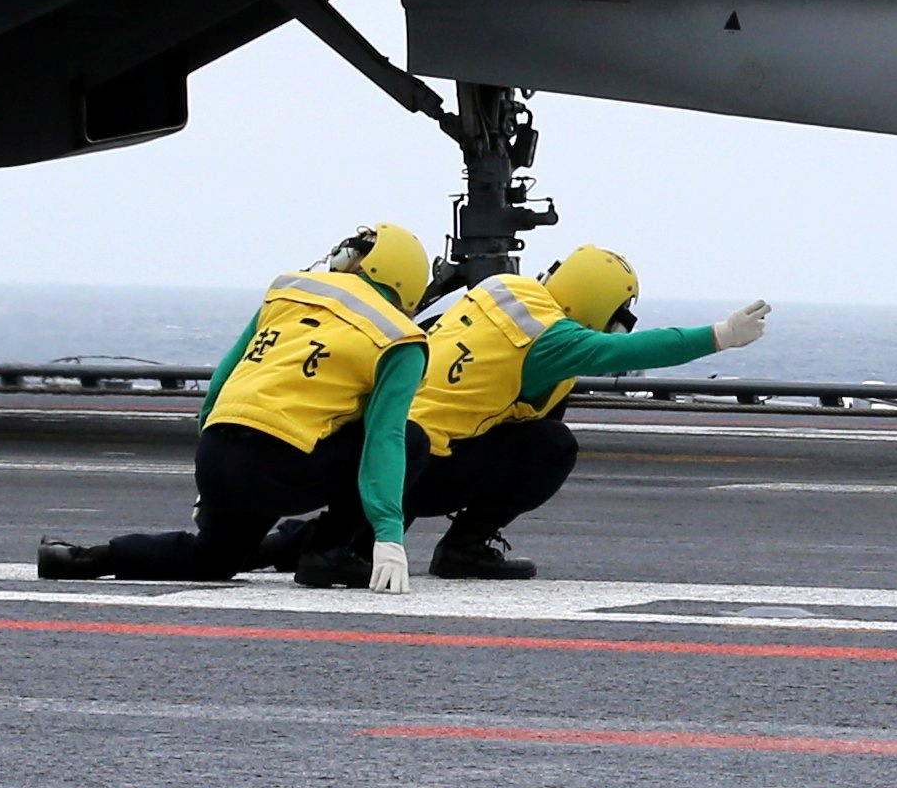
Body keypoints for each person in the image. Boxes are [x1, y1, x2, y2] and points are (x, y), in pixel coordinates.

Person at [261, 243, 770, 583]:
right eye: (620, 312)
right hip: (427, 466)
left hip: (381, 448)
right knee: (552, 447)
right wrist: (720, 336)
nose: (621, 325)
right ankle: (463, 547)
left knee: (353, 535)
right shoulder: (552, 339)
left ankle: (270, 544)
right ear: (599, 303)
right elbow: (625, 353)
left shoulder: (495, 291)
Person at [38, 223, 435, 591]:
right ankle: (329, 552)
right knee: (414, 440)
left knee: (210, 560)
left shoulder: (290, 291)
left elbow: (222, 381)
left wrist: (208, 491)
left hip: (216, 457)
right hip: (279, 467)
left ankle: (77, 559)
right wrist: (388, 533)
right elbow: (386, 438)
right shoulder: (400, 337)